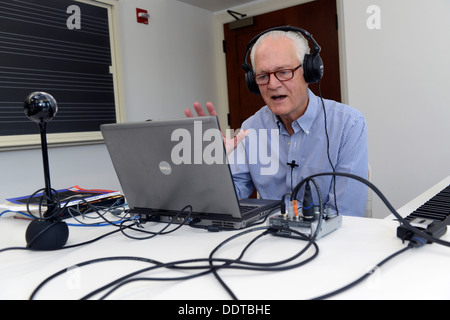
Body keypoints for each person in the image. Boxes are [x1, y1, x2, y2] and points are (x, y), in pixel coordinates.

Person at [185, 28, 368, 217]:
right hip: (267, 240)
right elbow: (228, 199)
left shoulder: (348, 125)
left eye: (283, 72)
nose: (272, 85)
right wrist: (212, 166)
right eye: (263, 76)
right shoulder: (250, 129)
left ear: (309, 72)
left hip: (325, 242)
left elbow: (347, 217)